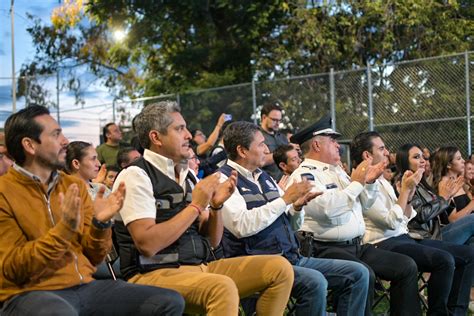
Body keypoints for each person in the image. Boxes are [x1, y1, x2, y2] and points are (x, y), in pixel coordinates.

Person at [113, 101, 294, 316]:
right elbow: (147, 245)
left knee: (279, 268)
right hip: (151, 273)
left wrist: (216, 207)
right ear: (156, 137)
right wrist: (197, 205)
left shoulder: (186, 175)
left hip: (200, 267)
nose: (188, 135)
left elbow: (213, 241)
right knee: (221, 287)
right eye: (179, 129)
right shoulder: (136, 175)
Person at [0, 105, 185, 316]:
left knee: (168, 301)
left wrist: (101, 223)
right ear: (30, 145)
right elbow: (12, 268)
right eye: (56, 134)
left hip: (83, 286)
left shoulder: (74, 185)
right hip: (27, 292)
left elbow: (95, 257)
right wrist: (65, 230)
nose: (65, 141)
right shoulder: (4, 192)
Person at [218, 121, 370, 316]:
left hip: (291, 257)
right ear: (242, 150)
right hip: (258, 265)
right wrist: (284, 200)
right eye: (261, 144)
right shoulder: (224, 179)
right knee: (315, 282)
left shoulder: (264, 177)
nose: (267, 150)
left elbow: (291, 223)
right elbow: (242, 226)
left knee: (358, 274)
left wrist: (296, 208)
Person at [287, 115, 421, 316]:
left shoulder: (338, 172)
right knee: (363, 274)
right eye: (332, 140)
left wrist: (370, 182)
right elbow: (328, 211)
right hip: (324, 248)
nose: (338, 145)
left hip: (356, 245)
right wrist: (358, 183)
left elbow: (363, 204)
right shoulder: (304, 175)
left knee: (405, 266)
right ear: (316, 144)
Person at [353, 131, 474, 315]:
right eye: (382, 148)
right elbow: (392, 222)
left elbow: (405, 217)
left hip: (405, 236)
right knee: (444, 260)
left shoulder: (385, 182)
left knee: (468, 254)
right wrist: (414, 193)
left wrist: (407, 197)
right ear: (367, 155)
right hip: (382, 243)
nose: (387, 152)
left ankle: (456, 313)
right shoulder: (364, 183)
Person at [398, 144, 474, 245]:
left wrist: (448, 197)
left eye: (423, 157)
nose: (423, 161)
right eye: (416, 157)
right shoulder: (406, 184)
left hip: (436, 233)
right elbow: (420, 215)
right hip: (426, 238)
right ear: (405, 161)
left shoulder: (422, 184)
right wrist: (444, 198)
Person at [260, 103, 289, 181]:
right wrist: (284, 153)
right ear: (264, 117)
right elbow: (260, 160)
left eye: (279, 120)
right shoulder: (257, 137)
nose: (278, 123)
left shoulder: (282, 137)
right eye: (274, 120)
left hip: (286, 181)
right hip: (267, 183)